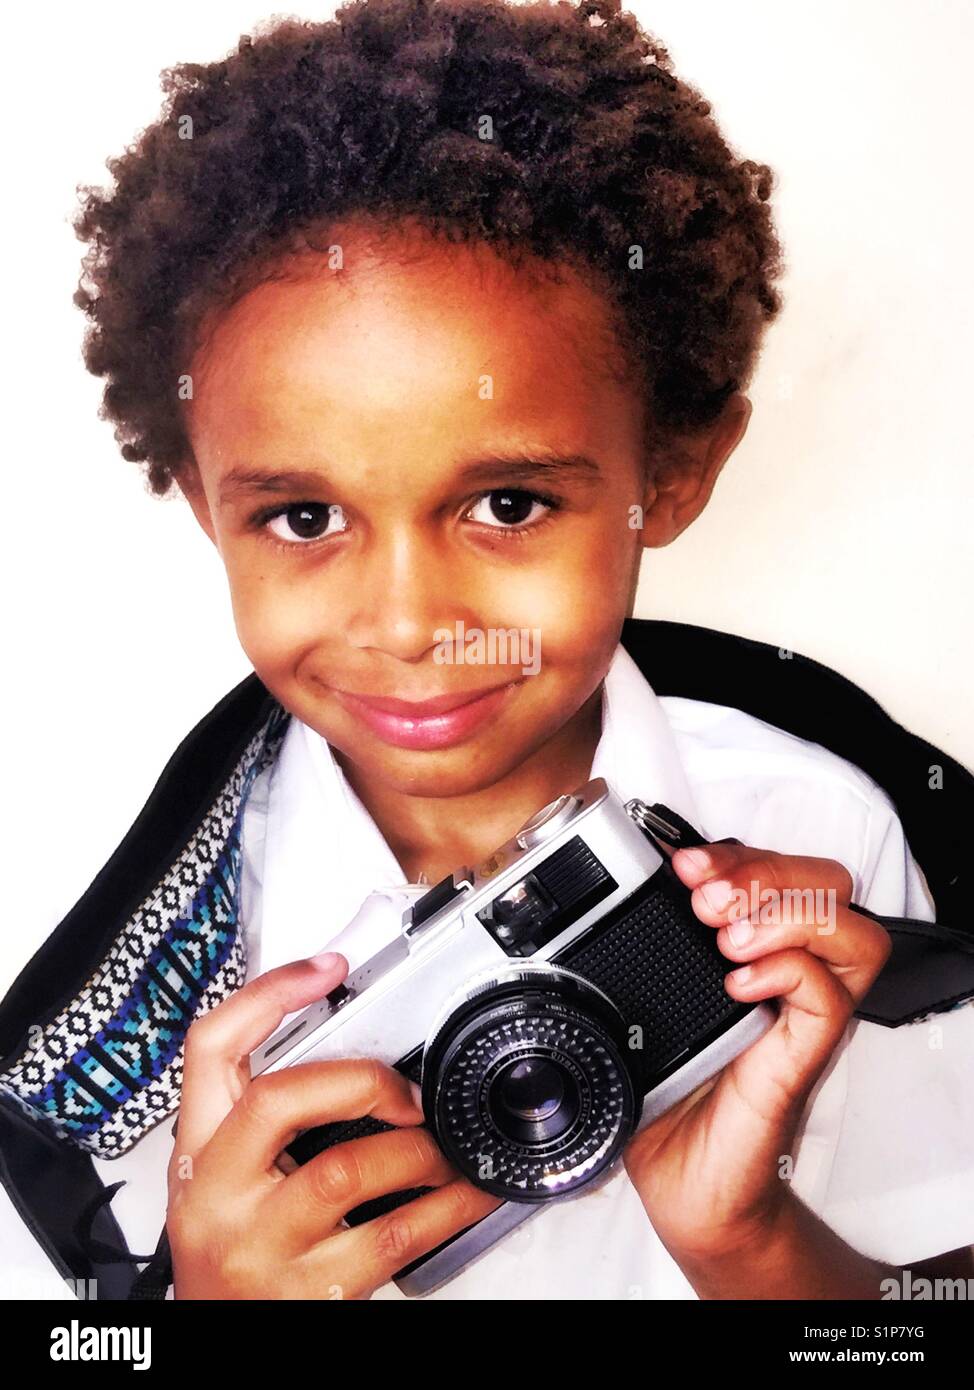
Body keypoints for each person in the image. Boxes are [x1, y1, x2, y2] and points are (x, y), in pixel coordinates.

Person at [1, 0, 971, 1301]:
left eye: (507, 504)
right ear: (201, 503)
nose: (409, 622)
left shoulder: (814, 844)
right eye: (301, 515)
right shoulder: (106, 979)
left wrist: (748, 1247)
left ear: (671, 471)